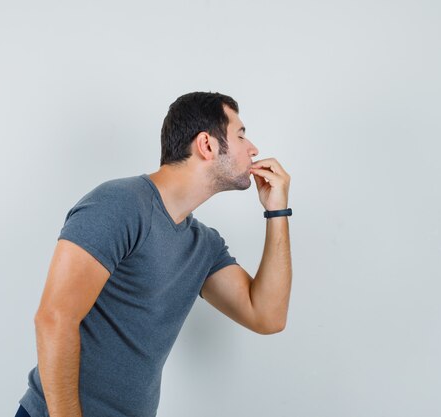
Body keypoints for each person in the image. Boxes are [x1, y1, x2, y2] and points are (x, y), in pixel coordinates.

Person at [15, 91, 293, 417]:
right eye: (241, 134)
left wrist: (277, 212)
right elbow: (54, 319)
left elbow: (267, 316)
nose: (253, 149)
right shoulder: (120, 204)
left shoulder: (203, 245)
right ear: (206, 144)